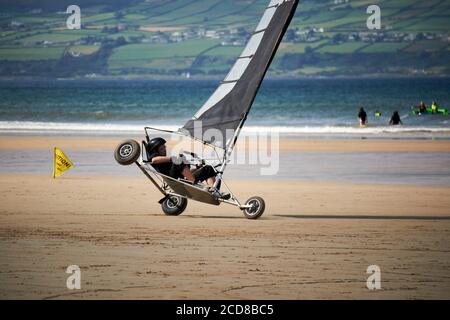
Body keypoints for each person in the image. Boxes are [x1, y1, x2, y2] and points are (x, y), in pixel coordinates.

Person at [146, 137, 229, 199]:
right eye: (162, 148)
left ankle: (214, 191)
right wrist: (173, 158)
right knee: (179, 159)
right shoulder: (155, 157)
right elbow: (154, 160)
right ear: (155, 150)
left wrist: (197, 168)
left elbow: (186, 171)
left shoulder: (170, 162)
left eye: (164, 147)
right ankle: (192, 181)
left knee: (208, 168)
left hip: (184, 178)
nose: (164, 149)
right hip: (177, 180)